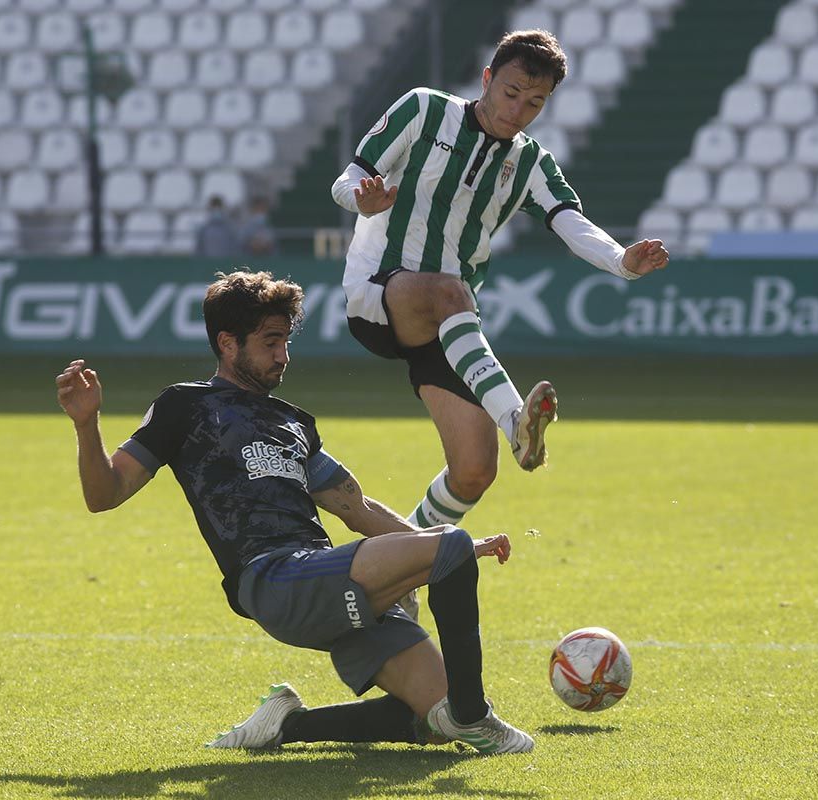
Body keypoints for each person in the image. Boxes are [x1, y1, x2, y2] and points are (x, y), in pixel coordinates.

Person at [54, 270, 534, 755]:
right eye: (270, 342)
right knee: (449, 548)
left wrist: (432, 546)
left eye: (286, 340)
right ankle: (479, 721)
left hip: (326, 578)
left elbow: (359, 507)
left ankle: (287, 725)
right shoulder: (185, 405)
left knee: (436, 719)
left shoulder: (294, 422)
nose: (283, 355)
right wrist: (87, 422)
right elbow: (105, 493)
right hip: (274, 579)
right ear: (227, 343)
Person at [331, 29, 670, 531]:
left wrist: (621, 260)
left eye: (535, 102)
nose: (518, 110)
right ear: (487, 78)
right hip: (377, 292)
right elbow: (346, 179)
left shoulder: (530, 162)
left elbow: (570, 222)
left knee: (473, 472)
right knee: (450, 289)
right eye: (511, 93)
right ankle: (518, 423)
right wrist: (361, 199)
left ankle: (398, 558)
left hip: (445, 324)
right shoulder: (424, 109)